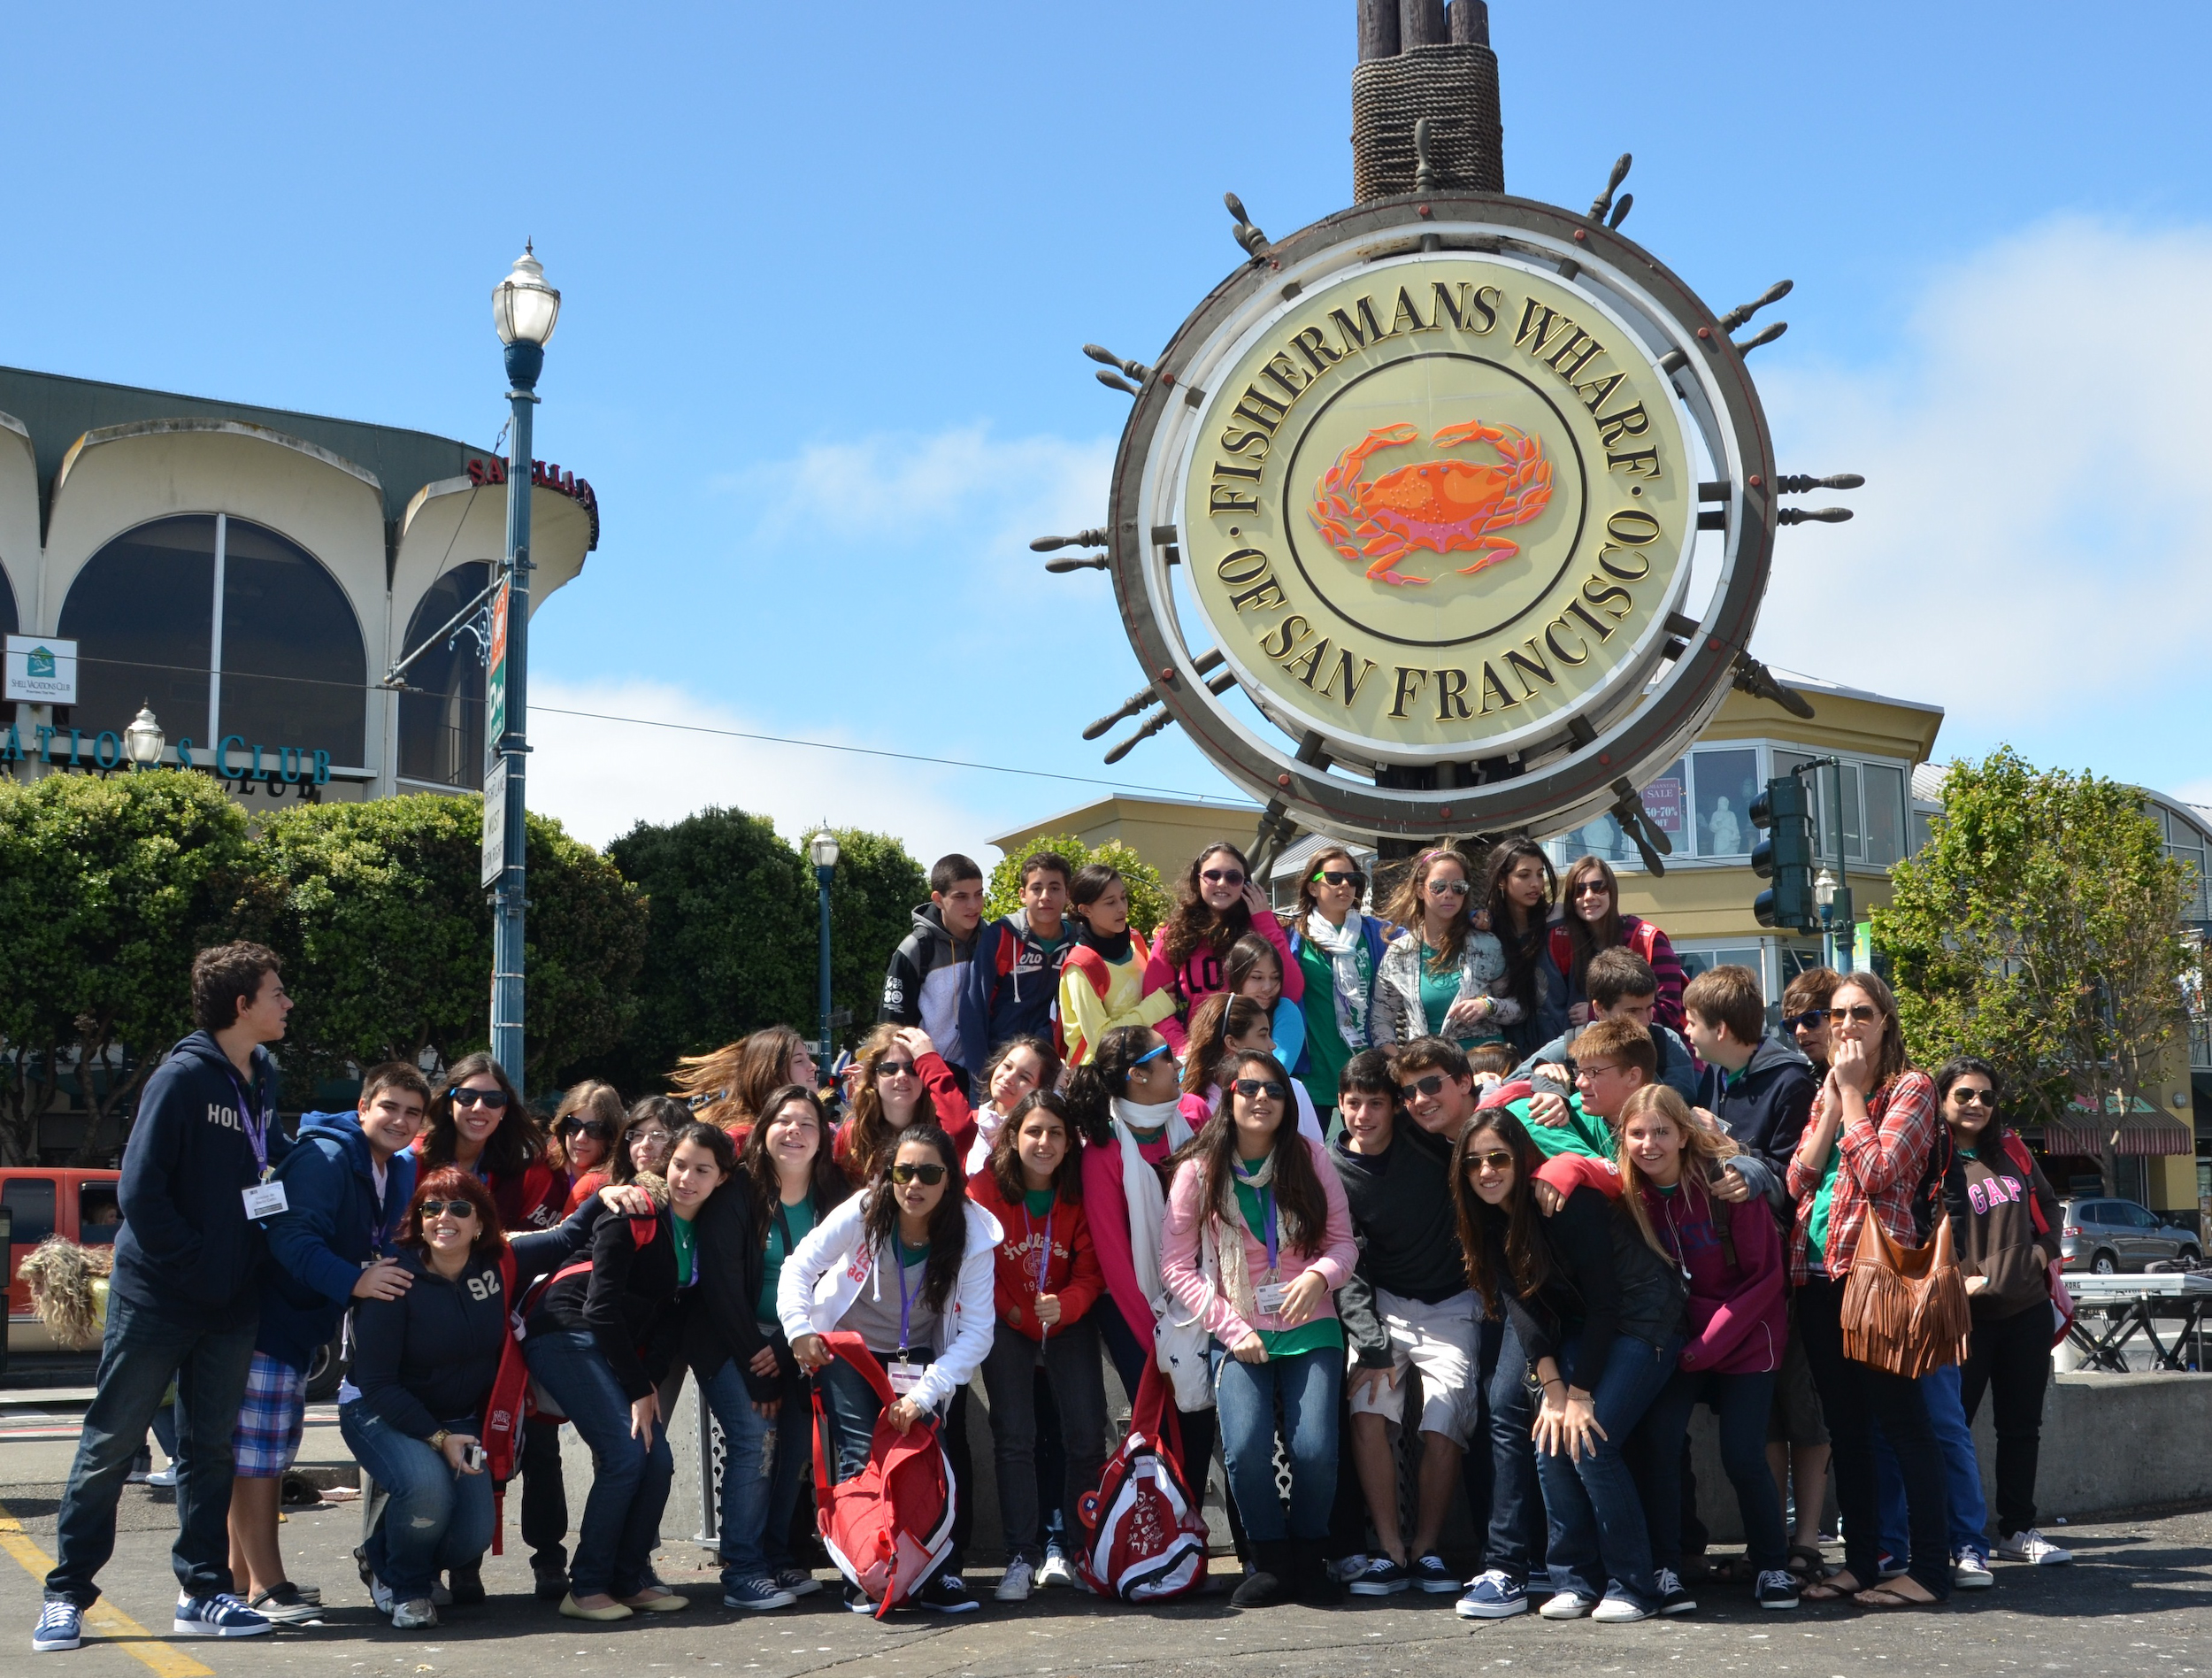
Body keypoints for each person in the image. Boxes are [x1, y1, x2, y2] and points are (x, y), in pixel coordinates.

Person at [37, 943, 294, 1653]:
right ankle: (65, 1597)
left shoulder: (263, 1073)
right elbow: (139, 1194)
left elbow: (260, 1167)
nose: (288, 1003)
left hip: (232, 1299)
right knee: (112, 1444)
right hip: (160, 1295)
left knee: (210, 1449)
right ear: (241, 1004)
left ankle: (203, 1590)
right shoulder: (181, 1078)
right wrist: (199, 1269)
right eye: (277, 993)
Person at [342, 1169, 641, 1629]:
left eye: (460, 1209)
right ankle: (407, 1587)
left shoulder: (500, 1261)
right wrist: (440, 1437)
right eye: (432, 1208)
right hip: (382, 1412)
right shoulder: (394, 1280)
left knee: (472, 1537)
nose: (445, 1218)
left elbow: (566, 1237)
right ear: (419, 1220)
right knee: (428, 1490)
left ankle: (380, 1552)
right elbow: (378, 1384)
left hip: (457, 1417)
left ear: (480, 1222)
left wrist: (603, 1193)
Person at [1450, 1105, 1685, 1624]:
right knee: (1549, 1431)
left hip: (1644, 1319)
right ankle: (1575, 1580)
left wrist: (1578, 1395)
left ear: (1520, 1157)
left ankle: (1633, 1585)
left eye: (1497, 1158)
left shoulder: (1562, 1201)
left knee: (1591, 1438)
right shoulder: (1487, 1218)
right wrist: (1554, 1389)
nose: (1486, 1171)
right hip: (1583, 1328)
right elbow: (1524, 1310)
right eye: (1474, 1162)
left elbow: (1606, 1301)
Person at [233, 1064, 432, 1625]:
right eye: (389, 1106)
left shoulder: (390, 1166)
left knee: (265, 1454)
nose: (399, 1120)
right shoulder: (325, 1157)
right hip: (269, 1324)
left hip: (297, 1328)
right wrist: (355, 1279)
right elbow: (289, 1235)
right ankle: (269, 1587)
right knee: (260, 1460)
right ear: (364, 1105)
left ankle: (240, 1581)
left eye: (412, 1112)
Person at [1162, 1050, 1356, 1608]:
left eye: (1273, 1090)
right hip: (1237, 1330)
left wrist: (1320, 1276)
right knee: (1246, 1450)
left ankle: (1310, 1556)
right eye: (1248, 1089)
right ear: (1228, 1099)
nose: (1261, 1099)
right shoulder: (1198, 1172)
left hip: (1310, 1324)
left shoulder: (1311, 1159)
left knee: (1314, 1448)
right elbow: (1175, 1265)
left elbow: (1343, 1244)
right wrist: (1229, 1325)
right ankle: (1269, 1558)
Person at [782, 1125, 1001, 1616]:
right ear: (889, 1175)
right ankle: (866, 1569)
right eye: (904, 1171)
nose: (914, 1184)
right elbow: (799, 1268)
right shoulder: (864, 1211)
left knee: (927, 1457)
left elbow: (977, 1333)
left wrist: (925, 1394)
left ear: (949, 1180)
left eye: (929, 1172)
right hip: (849, 1350)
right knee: (861, 1456)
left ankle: (937, 1571)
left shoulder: (973, 1234)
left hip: (920, 1358)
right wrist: (799, 1328)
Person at [1784, 972, 1951, 1608]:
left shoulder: (1912, 1087)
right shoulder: (1829, 1089)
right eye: (1836, 1015)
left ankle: (1928, 1571)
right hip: (1818, 1276)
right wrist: (1832, 1100)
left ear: (1885, 1022)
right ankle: (1860, 1563)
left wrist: (1852, 1096)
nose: (1844, 1025)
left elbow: (1881, 1172)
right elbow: (1798, 1179)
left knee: (1904, 1425)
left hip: (1874, 1278)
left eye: (1859, 1013)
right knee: (1847, 1428)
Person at [527, 1121, 733, 1620]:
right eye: (680, 1164)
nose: (687, 1178)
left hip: (613, 1348)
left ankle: (629, 1577)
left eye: (702, 1170)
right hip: (565, 1331)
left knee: (656, 1460)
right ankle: (587, 1587)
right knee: (623, 1455)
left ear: (722, 1179)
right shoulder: (636, 1208)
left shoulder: (709, 1233)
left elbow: (671, 1321)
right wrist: (640, 1387)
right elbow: (600, 1309)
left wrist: (649, 1381)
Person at [1614, 1086, 1798, 1613]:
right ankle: (1666, 1567)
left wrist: (1705, 1347)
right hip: (1680, 1337)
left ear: (1684, 1135)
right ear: (1623, 1139)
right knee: (1661, 1441)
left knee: (1743, 1453)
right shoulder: (1630, 1195)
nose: (1650, 1145)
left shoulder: (1727, 1185)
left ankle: (1771, 1565)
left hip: (1746, 1333)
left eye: (1662, 1132)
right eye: (1638, 1134)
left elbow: (1766, 1279)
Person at [687, 1086, 850, 1611]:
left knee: (798, 1441)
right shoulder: (738, 1194)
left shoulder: (835, 1195)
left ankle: (780, 1556)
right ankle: (743, 1568)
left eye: (808, 1123)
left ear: (823, 1138)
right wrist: (756, 1367)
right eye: (784, 1121)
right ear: (764, 1132)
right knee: (758, 1436)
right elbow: (720, 1286)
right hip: (727, 1339)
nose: (795, 1131)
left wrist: (784, 1346)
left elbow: (841, 1278)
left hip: (796, 1339)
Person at [1331, 1048, 1479, 1598]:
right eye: (1352, 1104)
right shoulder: (1332, 1169)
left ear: (1395, 1107)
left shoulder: (1431, 1143)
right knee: (1368, 1410)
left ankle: (1428, 1550)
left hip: (1453, 1303)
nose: (1363, 1116)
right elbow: (1345, 1261)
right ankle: (1389, 1551)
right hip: (1383, 1305)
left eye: (1375, 1103)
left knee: (1444, 1420)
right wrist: (1369, 1340)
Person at [1065, 1026, 1222, 1505]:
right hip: (1132, 1307)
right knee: (1161, 1417)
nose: (1178, 1064)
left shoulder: (1193, 1115)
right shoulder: (1104, 1147)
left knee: (1201, 1415)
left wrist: (1199, 1306)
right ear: (1137, 1075)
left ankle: (1191, 1525)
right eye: (1166, 1058)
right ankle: (1165, 1530)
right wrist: (1158, 1335)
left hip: (1200, 1290)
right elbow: (1114, 1258)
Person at [964, 1092, 1108, 1603]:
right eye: (1033, 1132)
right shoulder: (983, 1190)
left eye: (1055, 1133)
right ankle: (1021, 1556)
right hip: (1008, 1322)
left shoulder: (1080, 1191)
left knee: (1088, 1435)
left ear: (1070, 1143)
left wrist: (1066, 1305)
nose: (1044, 1143)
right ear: (1012, 1136)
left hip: (1065, 1321)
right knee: (1015, 1436)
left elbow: (1092, 1272)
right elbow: (976, 1266)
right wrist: (1017, 1313)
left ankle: (1080, 1550)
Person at [1936, 1058, 2071, 1569]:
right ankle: (1955, 1536)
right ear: (1943, 1097)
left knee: (2021, 1427)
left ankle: (2017, 1528)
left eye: (1987, 1097)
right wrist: (1956, 1280)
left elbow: (2050, 1209)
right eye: (1965, 1094)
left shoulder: (2011, 1149)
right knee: (1954, 1427)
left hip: (2026, 1310)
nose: (1976, 1104)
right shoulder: (1934, 1158)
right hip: (1964, 1316)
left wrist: (2041, 1254)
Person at [1768, 966, 1840, 1575]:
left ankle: (1811, 1537)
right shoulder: (1809, 1081)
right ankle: (1783, 1536)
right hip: (1794, 1264)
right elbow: (1797, 1179)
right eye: (1792, 1021)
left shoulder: (1884, 1082)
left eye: (1812, 1019)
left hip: (1848, 1271)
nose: (1800, 1032)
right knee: (1778, 1409)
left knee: (1815, 1413)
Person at [1141, 843, 1302, 1053]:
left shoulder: (1261, 926)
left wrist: (1264, 921)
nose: (1222, 883)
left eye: (1233, 877)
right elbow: (1155, 1005)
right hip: (1196, 1053)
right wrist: (1183, 1048)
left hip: (1253, 1052)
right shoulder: (1173, 936)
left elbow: (1292, 990)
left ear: (1245, 883)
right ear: (1198, 880)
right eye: (1212, 875)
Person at [1682, 965, 1817, 1186]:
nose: (1687, 1032)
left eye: (1692, 1023)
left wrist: (1731, 1147)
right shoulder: (1715, 1070)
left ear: (1720, 1030)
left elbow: (1794, 1176)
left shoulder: (1791, 1083)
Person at [1373, 848, 1517, 1051]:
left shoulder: (1486, 945)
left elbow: (1518, 1007)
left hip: (1484, 1063)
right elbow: (1381, 1020)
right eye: (1438, 886)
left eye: (1458, 887)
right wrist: (1399, 1063)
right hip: (1427, 1065)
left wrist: (1488, 1006)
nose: (1449, 894)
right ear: (1420, 890)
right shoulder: (1399, 953)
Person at [1515, 948, 1698, 1105]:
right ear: (1599, 1009)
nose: (1645, 1020)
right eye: (1632, 1011)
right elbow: (1509, 1084)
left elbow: (1679, 1105)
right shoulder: (1571, 1046)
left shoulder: (1667, 1044)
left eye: (1649, 1008)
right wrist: (1544, 1079)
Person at [1292, 848, 1386, 1127]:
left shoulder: (1377, 932)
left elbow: (1426, 930)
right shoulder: (1293, 937)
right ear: (1312, 886)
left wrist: (1473, 917)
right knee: (1310, 1161)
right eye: (1333, 878)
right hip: (1315, 1076)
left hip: (1366, 1073)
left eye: (1352, 878)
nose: (1345, 885)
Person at [418, 1055, 566, 1231]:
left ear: (503, 1109)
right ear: (450, 1104)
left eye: (493, 1099)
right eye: (467, 1096)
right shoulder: (415, 1159)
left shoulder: (522, 1169)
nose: (479, 1107)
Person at [1549, 855, 1688, 1033]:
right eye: (1579, 891)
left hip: (1654, 1049)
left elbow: (1669, 1010)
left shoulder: (1647, 939)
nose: (1589, 896)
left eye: (1598, 887)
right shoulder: (1563, 942)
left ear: (1612, 892)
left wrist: (1596, 1015)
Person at [883, 854, 987, 1091]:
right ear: (938, 899)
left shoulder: (992, 940)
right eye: (961, 897)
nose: (973, 905)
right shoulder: (915, 947)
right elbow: (891, 1027)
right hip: (923, 1078)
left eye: (979, 894)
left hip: (979, 1078)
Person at [962, 852, 1078, 1067]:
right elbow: (973, 1012)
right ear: (1023, 894)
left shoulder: (1078, 942)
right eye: (1036, 888)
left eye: (1054, 888)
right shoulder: (1001, 936)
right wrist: (978, 1082)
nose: (1045, 896)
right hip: (1001, 1062)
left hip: (1052, 1062)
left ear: (1067, 894)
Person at [1058, 862, 1176, 1068]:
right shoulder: (1081, 966)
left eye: (1123, 897)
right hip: (1099, 1074)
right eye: (1110, 902)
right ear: (1086, 910)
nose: (1122, 908)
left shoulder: (1135, 940)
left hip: (1143, 1061)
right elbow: (1102, 1039)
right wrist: (1157, 1006)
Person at [833, 1024, 976, 1184]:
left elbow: (963, 1130)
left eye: (912, 1068)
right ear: (874, 1079)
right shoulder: (852, 1134)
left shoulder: (939, 1130)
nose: (901, 1076)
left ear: (924, 1077)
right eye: (889, 1068)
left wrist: (929, 1060)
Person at [1179, 993, 1325, 1143]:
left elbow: (1317, 1158)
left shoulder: (1294, 1090)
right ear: (1232, 1043)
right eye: (1263, 1035)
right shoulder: (1194, 1108)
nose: (1272, 1045)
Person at [1481, 839, 1565, 1057]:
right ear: (1501, 880)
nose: (1536, 883)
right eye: (1524, 875)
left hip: (1561, 1049)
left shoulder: (1559, 925)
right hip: (1506, 1056)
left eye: (1540, 874)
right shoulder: (1486, 933)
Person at [670, 1029, 819, 1137]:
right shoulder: (739, 1138)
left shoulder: (823, 1127)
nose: (813, 1066)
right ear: (772, 1075)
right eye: (799, 1061)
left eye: (808, 1058)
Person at [961, 1036, 1059, 1176]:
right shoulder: (969, 1121)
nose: (1008, 1078)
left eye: (1024, 1077)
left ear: (1041, 1091)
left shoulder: (1041, 1142)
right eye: (1007, 1066)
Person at [1225, 932, 1305, 1078]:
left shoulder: (1285, 1010)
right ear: (1237, 977)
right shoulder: (1221, 1012)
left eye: (1275, 977)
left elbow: (1275, 1074)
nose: (1268, 987)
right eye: (1257, 977)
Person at [553, 1081, 625, 1214]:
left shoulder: (621, 1183)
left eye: (595, 1130)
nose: (581, 1138)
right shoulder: (541, 1167)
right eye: (573, 1125)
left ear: (612, 1136)